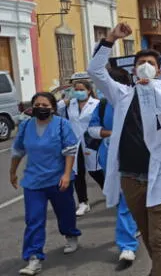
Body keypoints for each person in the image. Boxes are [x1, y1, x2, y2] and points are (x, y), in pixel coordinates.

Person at [88, 23, 161, 276]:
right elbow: (95, 70)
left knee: (160, 240)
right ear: (134, 70)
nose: (145, 66)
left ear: (159, 70)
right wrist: (111, 38)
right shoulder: (122, 95)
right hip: (130, 179)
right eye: (141, 63)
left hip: (159, 177)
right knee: (149, 237)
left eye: (151, 63)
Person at [10, 92, 81, 275]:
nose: (41, 108)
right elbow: (18, 151)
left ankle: (70, 234)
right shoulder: (26, 126)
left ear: (53, 108)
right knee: (34, 219)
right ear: (32, 107)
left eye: (45, 105)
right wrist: (12, 172)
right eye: (37, 105)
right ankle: (34, 258)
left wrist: (66, 175)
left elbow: (70, 151)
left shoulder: (61, 125)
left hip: (58, 179)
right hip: (34, 182)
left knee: (65, 213)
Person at [86, 66, 139, 270]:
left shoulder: (135, 100)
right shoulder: (102, 105)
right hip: (110, 158)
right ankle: (130, 232)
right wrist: (111, 133)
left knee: (128, 200)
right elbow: (93, 129)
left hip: (134, 157)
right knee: (120, 200)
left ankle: (127, 245)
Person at [58, 79, 104, 216]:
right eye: (75, 90)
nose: (78, 92)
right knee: (77, 173)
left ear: (89, 90)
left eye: (81, 89)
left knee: (95, 171)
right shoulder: (69, 104)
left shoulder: (96, 104)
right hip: (74, 143)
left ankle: (109, 191)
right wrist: (65, 101)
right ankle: (83, 202)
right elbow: (56, 109)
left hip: (91, 142)